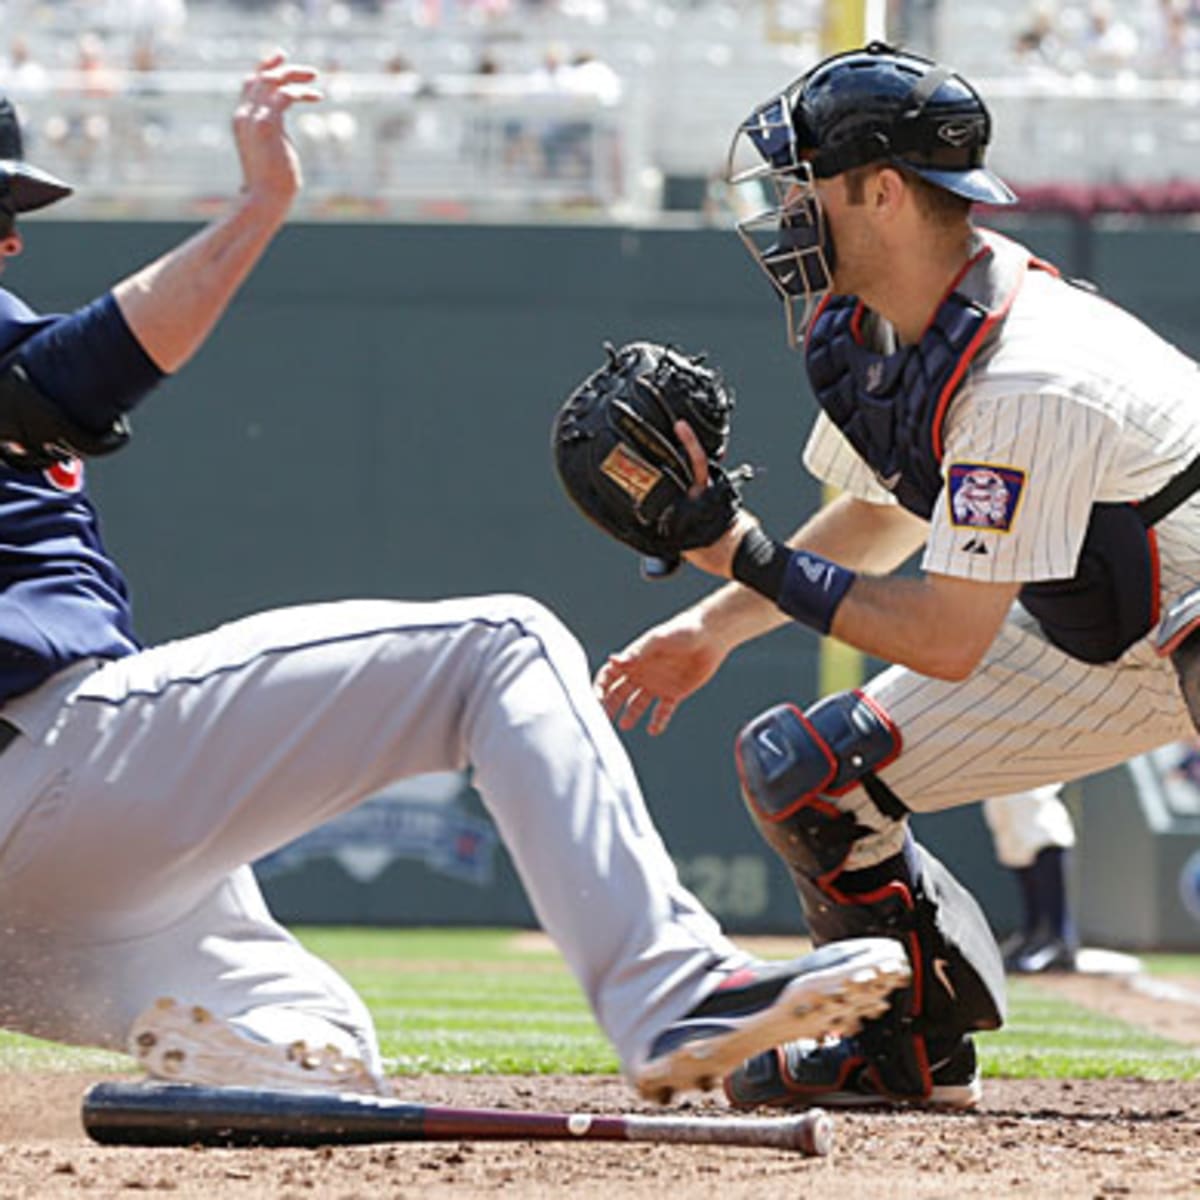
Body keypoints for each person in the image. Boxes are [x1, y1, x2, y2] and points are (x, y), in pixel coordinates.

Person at [0, 52, 910, 1104]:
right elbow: (69, 380)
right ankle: (673, 993)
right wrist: (259, 207)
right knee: (500, 648)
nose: (15, 235)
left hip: (50, 915)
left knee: (311, 1043)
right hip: (47, 766)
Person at [594, 40, 1200, 1111]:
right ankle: (901, 1047)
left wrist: (745, 551)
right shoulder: (882, 331)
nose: (786, 206)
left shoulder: (1029, 373)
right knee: (809, 773)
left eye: (806, 179)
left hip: (1180, 617)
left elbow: (947, 638)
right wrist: (714, 626)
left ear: (879, 189)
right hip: (1103, 633)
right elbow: (879, 517)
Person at [983, 785, 1079, 973]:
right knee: (1032, 905)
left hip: (1042, 829)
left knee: (1052, 904)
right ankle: (1032, 939)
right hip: (1014, 830)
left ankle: (1058, 944)